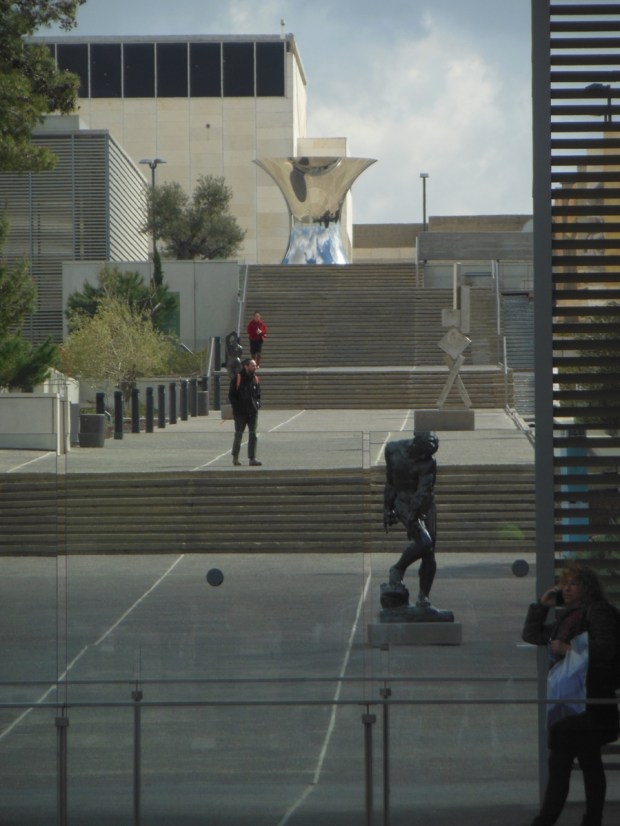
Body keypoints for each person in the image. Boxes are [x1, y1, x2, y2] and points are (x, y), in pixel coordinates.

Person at [522, 565, 620, 826]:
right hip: (570, 702)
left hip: (587, 702)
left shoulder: (597, 611)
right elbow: (532, 635)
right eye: (564, 583)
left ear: (587, 587)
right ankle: (585, 820)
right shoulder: (571, 616)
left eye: (574, 583)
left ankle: (554, 820)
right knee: (577, 764)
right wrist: (542, 605)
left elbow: (606, 648)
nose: (566, 588)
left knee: (572, 764)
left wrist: (568, 649)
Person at [382, 431, 438, 607]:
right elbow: (391, 481)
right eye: (423, 452)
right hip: (403, 502)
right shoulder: (392, 450)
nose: (425, 457)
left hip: (424, 505)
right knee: (425, 543)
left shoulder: (428, 463)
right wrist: (387, 507)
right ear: (415, 444)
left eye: (428, 454)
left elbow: (423, 491)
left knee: (429, 553)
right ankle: (397, 569)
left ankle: (423, 596)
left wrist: (416, 515)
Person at [228, 358, 262, 466]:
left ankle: (252, 458)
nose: (255, 367)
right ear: (246, 366)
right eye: (252, 365)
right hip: (240, 413)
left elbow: (258, 394)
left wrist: (257, 404)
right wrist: (236, 407)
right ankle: (235, 457)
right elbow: (231, 395)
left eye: (255, 365)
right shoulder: (237, 378)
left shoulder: (255, 379)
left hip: (253, 412)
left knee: (253, 435)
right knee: (238, 435)